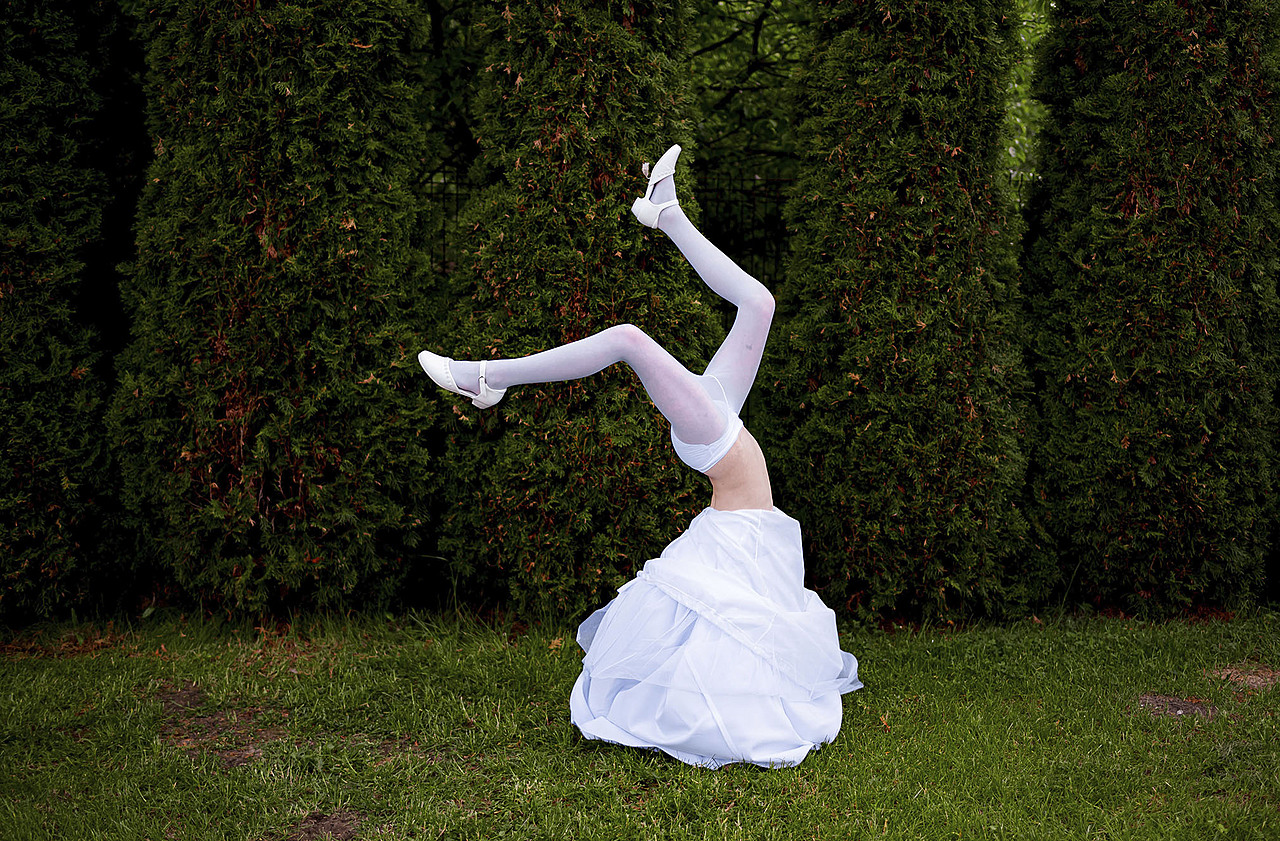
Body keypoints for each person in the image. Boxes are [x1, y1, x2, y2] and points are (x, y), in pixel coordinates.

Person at [419, 144, 862, 768]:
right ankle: (487, 378)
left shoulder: (755, 540)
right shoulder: (738, 497)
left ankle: (666, 213)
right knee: (629, 339)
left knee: (759, 304)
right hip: (718, 445)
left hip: (730, 467)